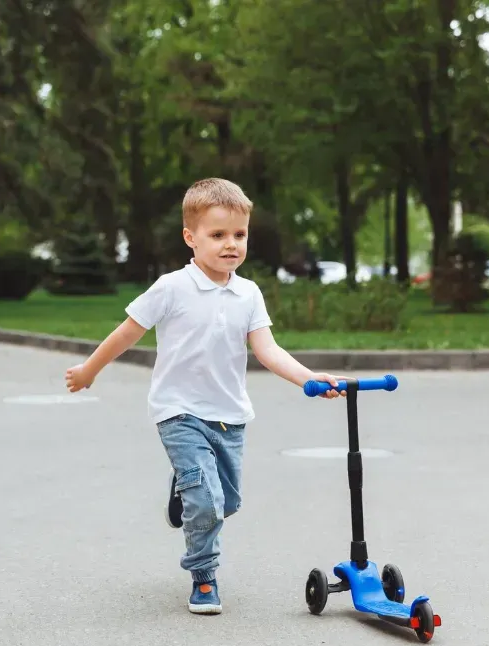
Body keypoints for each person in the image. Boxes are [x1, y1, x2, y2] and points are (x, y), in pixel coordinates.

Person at [64, 177, 344, 615]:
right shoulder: (172, 287)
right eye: (217, 235)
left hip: (229, 416)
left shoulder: (247, 293)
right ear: (190, 238)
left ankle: (184, 491)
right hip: (178, 412)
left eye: (239, 234)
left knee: (226, 502)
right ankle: (204, 576)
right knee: (208, 503)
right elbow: (128, 332)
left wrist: (309, 378)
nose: (230, 244)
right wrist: (88, 370)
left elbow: (267, 350)